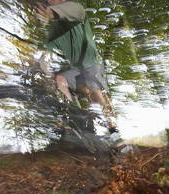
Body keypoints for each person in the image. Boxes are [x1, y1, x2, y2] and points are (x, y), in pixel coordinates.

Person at [36, 0, 117, 133]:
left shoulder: (76, 9)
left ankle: (113, 128)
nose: (50, 2)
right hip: (77, 69)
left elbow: (61, 11)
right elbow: (46, 54)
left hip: (92, 63)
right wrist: (41, 67)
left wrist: (48, 13)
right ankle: (76, 114)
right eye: (48, 1)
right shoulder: (54, 29)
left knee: (95, 91)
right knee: (60, 79)